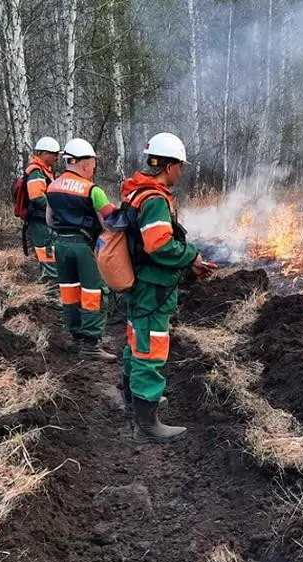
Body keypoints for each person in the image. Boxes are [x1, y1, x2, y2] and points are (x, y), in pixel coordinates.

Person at [121, 132, 215, 441]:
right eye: (180, 166)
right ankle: (147, 423)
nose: (181, 172)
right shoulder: (154, 200)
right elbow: (160, 247)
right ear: (169, 165)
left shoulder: (136, 192)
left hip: (139, 282)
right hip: (152, 286)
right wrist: (192, 256)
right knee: (151, 347)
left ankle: (133, 401)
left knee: (136, 339)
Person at [45, 138, 117, 361]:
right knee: (93, 293)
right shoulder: (92, 190)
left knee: (69, 291)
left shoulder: (53, 185)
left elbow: (49, 219)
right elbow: (111, 221)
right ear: (85, 164)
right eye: (93, 165)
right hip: (84, 246)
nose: (93, 169)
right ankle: (91, 345)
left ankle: (75, 335)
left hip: (61, 245)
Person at [24, 137, 62, 300]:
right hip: (41, 222)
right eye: (54, 154)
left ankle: (50, 293)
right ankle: (51, 296)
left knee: (50, 256)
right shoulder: (36, 172)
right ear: (45, 153)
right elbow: (37, 197)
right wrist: (57, 209)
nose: (57, 158)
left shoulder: (44, 170)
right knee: (49, 257)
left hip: (45, 221)